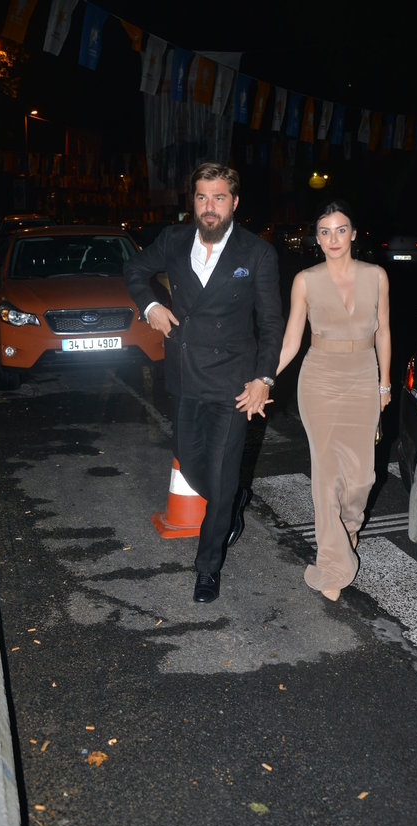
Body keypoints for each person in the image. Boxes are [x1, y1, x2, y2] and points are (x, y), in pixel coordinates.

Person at [124, 162, 284, 604]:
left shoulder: (257, 253)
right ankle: (232, 500)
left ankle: (207, 568)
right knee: (192, 464)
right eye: (201, 198)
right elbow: (134, 269)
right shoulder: (174, 240)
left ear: (234, 203)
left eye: (218, 198)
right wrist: (151, 306)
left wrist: (264, 379)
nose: (209, 207)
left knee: (219, 470)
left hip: (234, 381)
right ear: (192, 202)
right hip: (185, 374)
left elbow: (271, 323)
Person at [276, 199, 391, 602]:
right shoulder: (305, 281)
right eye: (325, 232)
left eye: (341, 230)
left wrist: (384, 385)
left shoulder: (376, 276)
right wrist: (264, 378)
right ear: (317, 238)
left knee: (362, 477)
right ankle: (332, 564)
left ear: (353, 234)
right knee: (327, 477)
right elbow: (291, 341)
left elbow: (383, 333)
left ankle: (349, 528)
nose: (333, 238)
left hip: (362, 376)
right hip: (320, 379)